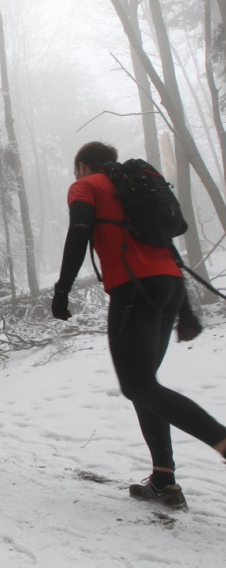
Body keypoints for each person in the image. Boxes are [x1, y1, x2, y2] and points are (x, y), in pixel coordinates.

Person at [51, 141, 226, 509]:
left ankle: (221, 440)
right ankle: (163, 480)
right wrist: (186, 310)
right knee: (145, 384)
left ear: (82, 165)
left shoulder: (87, 186)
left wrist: (62, 290)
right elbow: (164, 245)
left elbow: (78, 235)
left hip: (134, 289)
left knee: (138, 384)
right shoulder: (134, 186)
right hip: (168, 287)